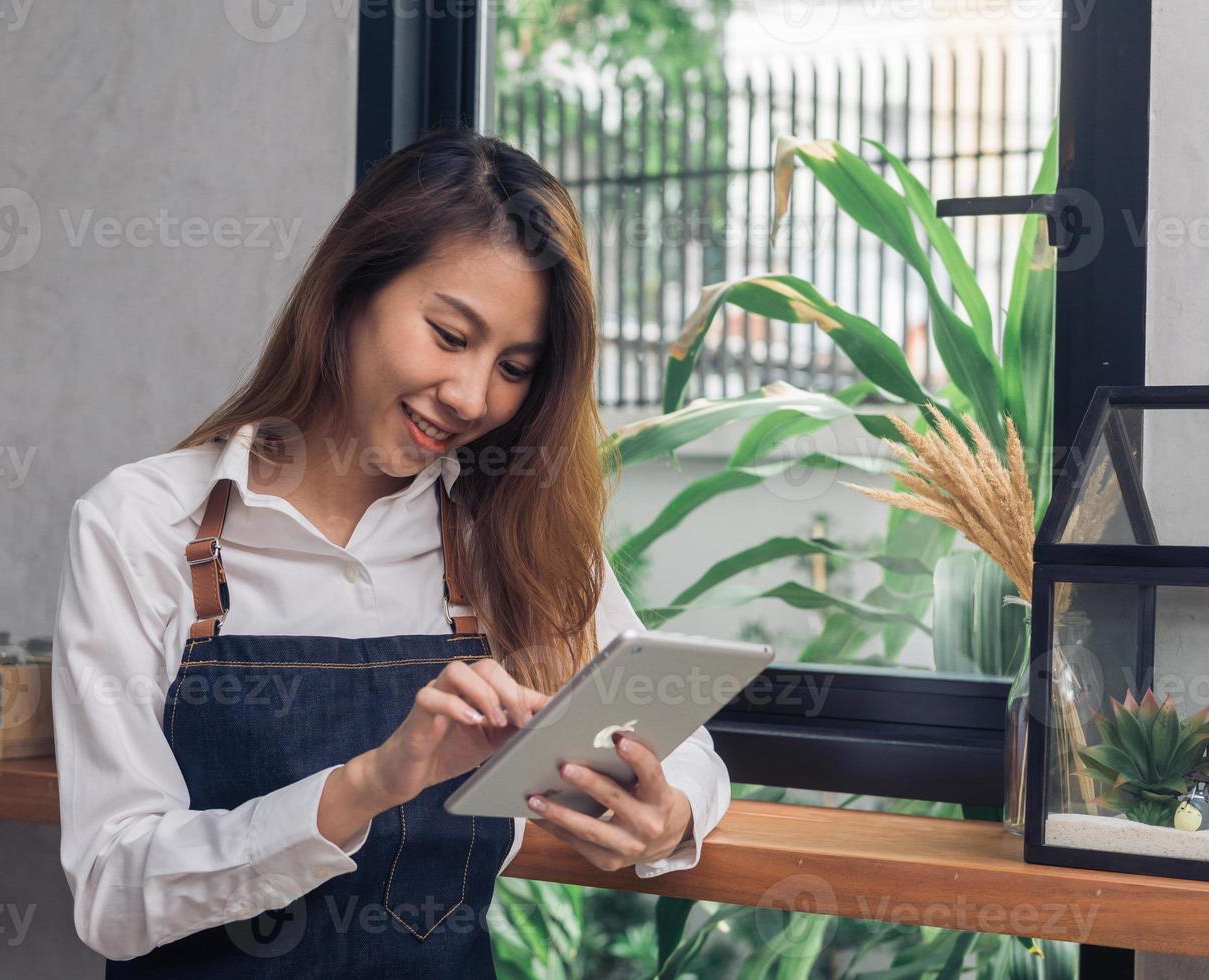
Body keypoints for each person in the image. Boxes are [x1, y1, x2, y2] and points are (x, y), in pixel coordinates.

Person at [52, 126, 731, 977]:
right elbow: (114, 895)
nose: (472, 396)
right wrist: (369, 784)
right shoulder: (141, 524)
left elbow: (684, 740)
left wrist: (668, 819)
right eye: (450, 336)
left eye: (515, 366)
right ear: (349, 290)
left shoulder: (500, 537)